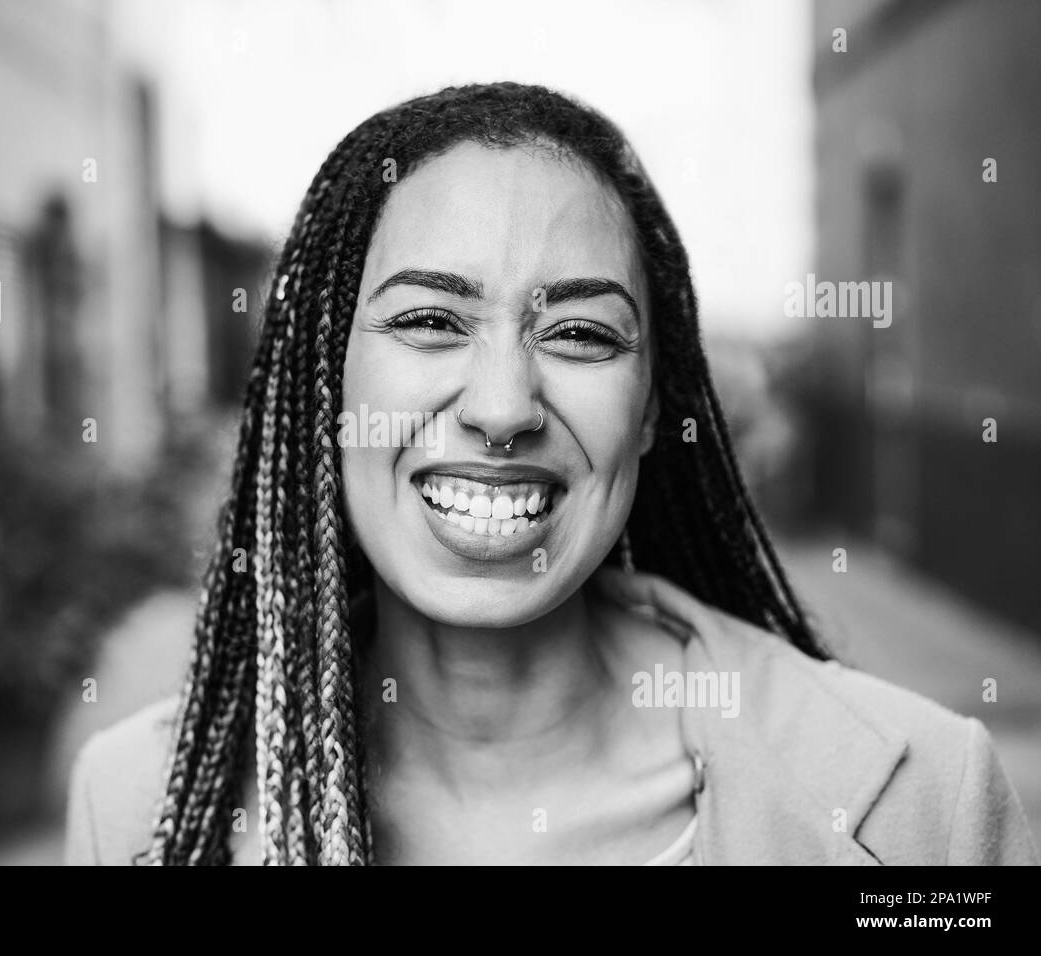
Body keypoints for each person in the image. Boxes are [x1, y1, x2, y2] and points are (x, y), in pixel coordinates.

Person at [66, 82, 1036, 865]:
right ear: (324, 381)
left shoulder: (925, 807)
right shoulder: (140, 810)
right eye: (429, 320)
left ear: (651, 406)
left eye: (578, 332)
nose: (500, 407)